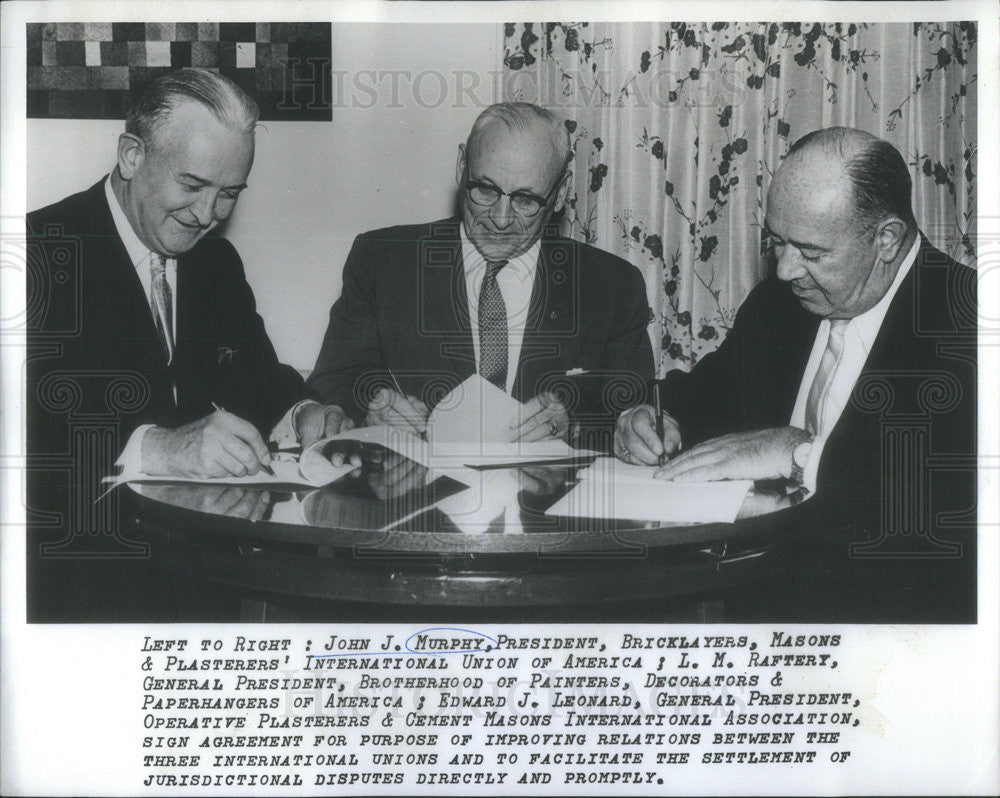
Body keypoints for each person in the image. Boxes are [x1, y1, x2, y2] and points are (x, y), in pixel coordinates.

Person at [615, 127, 976, 619]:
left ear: (886, 239)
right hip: (753, 608)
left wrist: (798, 451)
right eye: (777, 242)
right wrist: (653, 416)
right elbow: (706, 395)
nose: (784, 270)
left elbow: (947, 504)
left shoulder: (971, 322)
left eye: (810, 252)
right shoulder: (778, 305)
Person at [27, 69, 348, 482]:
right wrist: (157, 449)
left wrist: (305, 414)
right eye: (192, 184)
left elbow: (257, 377)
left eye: (229, 194)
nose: (207, 216)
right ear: (131, 156)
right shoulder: (32, 253)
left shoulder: (217, 262)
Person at [308, 102, 654, 449]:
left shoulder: (612, 286)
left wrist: (574, 426)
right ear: (462, 167)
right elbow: (334, 383)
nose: (500, 219)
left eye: (526, 200)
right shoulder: (381, 261)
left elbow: (634, 418)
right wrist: (372, 413)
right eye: (486, 190)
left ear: (561, 193)